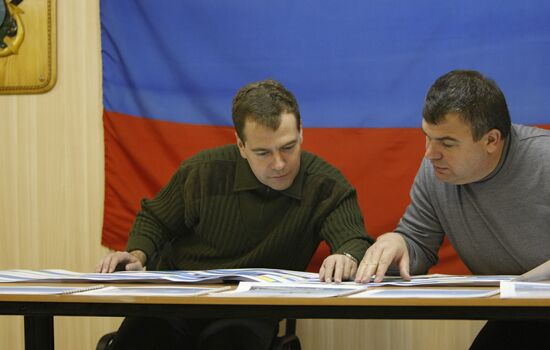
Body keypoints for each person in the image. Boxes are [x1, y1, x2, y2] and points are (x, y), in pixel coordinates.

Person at [96, 79, 373, 350]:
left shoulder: (326, 186)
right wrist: (137, 255)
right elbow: (155, 219)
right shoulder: (203, 172)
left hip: (250, 310)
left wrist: (346, 256)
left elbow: (356, 240)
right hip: (175, 302)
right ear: (241, 146)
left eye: (288, 147)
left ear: (301, 133)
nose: (279, 164)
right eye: (263, 152)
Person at [355, 69, 550, 349]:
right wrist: (398, 243)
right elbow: (418, 244)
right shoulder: (435, 171)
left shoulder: (545, 160)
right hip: (517, 313)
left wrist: (526, 284)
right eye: (427, 137)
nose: (430, 153)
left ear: (491, 141)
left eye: (447, 143)